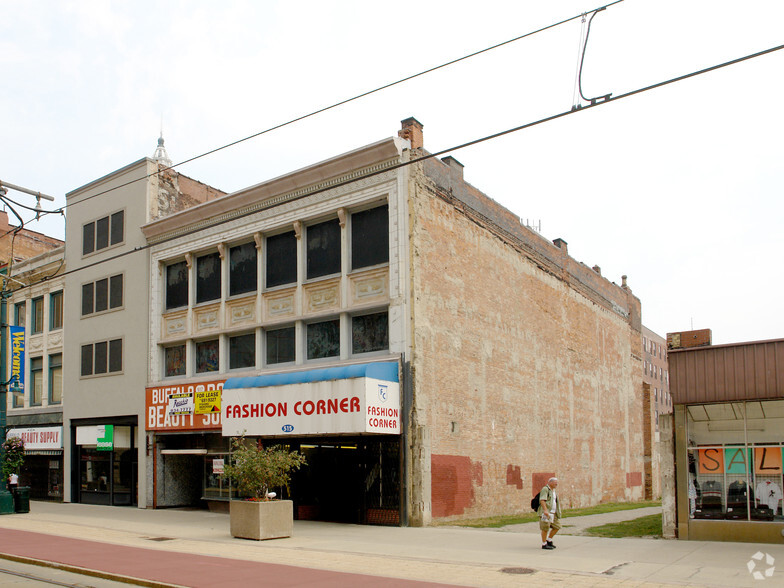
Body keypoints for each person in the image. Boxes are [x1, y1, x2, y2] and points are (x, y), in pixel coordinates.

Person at [537, 477, 562, 550]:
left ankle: (549, 540)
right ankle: (544, 544)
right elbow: (542, 500)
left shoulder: (553, 491)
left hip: (553, 513)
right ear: (550, 482)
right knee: (545, 528)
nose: (556, 484)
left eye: (557, 482)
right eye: (555, 482)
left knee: (557, 526)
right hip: (546, 513)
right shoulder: (545, 489)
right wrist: (545, 510)